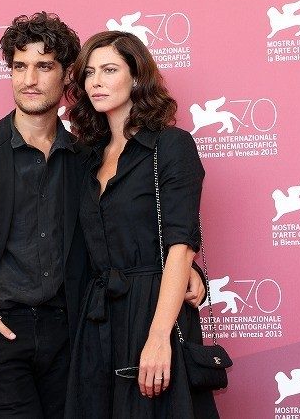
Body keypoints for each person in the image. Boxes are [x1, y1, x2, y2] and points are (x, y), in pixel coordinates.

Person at [0, 12, 206, 418]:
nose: (29, 79)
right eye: (20, 66)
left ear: (67, 77)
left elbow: (118, 229)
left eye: (44, 66)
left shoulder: (86, 158)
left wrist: (186, 269)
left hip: (74, 338)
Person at [65, 31, 219, 418]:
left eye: (109, 70)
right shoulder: (86, 157)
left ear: (136, 77)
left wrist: (159, 336)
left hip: (154, 309)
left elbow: (180, 244)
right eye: (89, 73)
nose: (96, 82)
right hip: (98, 316)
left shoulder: (171, 145)